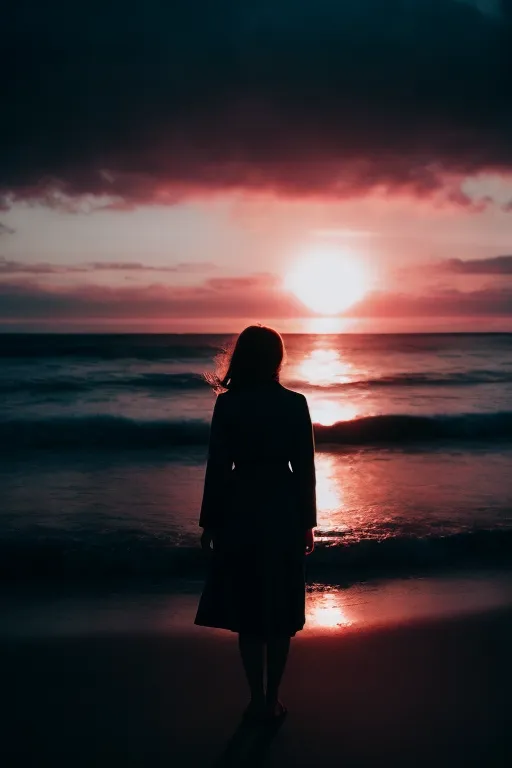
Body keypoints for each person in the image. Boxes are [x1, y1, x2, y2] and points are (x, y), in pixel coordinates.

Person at [195, 325, 316, 722]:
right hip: (282, 506)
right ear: (276, 359)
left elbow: (217, 468)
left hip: (240, 506)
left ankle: (255, 699)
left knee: (249, 611)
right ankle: (272, 698)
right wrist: (307, 522)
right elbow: (305, 471)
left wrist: (209, 522)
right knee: (280, 611)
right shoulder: (294, 403)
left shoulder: (228, 405)